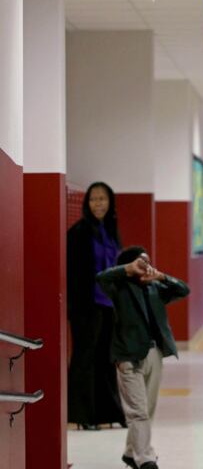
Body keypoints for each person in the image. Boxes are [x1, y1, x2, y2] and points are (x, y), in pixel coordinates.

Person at [96, 246, 190, 469]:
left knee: (147, 409)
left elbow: (183, 289)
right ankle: (146, 459)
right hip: (128, 356)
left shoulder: (155, 289)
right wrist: (126, 269)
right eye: (140, 262)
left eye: (147, 262)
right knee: (138, 412)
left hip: (154, 354)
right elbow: (101, 277)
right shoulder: (118, 288)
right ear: (129, 266)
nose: (145, 266)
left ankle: (131, 453)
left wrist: (161, 276)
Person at [67, 181, 125, 430]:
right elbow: (74, 274)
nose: (98, 204)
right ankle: (80, 415)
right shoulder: (79, 232)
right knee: (84, 358)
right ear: (86, 203)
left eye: (102, 199)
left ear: (110, 202)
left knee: (105, 359)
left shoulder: (110, 232)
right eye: (93, 199)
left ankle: (107, 413)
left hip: (108, 305)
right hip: (86, 306)